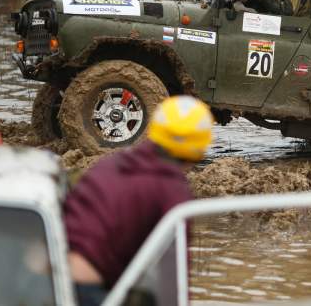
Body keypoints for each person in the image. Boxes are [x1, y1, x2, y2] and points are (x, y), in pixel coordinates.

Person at [63, 95, 213, 305]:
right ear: (200, 149)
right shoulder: (173, 192)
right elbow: (173, 271)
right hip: (88, 290)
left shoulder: (109, 164)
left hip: (48, 280)